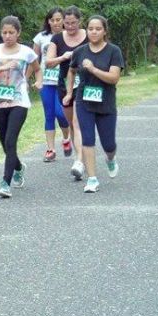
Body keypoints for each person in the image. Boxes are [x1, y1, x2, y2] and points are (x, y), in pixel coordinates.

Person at [0, 15, 41, 198]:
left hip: (19, 101)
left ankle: (5, 183)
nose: (8, 36)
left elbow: (37, 68)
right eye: (4, 32)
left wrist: (38, 81)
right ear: (1, 33)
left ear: (18, 33)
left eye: (11, 32)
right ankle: (17, 167)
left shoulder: (26, 52)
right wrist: (4, 67)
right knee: (4, 144)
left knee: (10, 141)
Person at [64, 15, 124, 193]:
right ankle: (92, 178)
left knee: (109, 144)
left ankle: (110, 159)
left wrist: (93, 69)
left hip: (106, 102)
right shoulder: (80, 52)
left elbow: (114, 78)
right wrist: (69, 93)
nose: (94, 32)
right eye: (90, 29)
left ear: (105, 31)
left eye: (98, 29)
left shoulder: (114, 51)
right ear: (87, 30)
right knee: (87, 139)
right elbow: (71, 71)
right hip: (84, 101)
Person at [46, 6, 88, 180]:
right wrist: (64, 57)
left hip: (86, 83)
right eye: (67, 23)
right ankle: (81, 157)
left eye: (74, 23)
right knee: (71, 123)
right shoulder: (56, 39)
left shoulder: (89, 34)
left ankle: (79, 161)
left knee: (78, 123)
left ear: (80, 21)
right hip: (64, 84)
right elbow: (48, 62)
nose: (70, 27)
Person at [32, 7, 71, 162]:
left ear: (63, 20)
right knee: (49, 114)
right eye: (52, 20)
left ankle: (66, 138)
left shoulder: (68, 36)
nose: (55, 23)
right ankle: (50, 149)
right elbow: (33, 60)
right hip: (46, 81)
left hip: (63, 81)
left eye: (58, 19)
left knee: (61, 113)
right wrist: (36, 79)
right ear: (48, 21)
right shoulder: (41, 37)